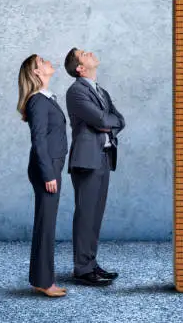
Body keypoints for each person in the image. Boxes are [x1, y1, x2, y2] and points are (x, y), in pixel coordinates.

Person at [64, 48, 126, 286]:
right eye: (83, 54)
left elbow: (119, 119)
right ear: (80, 68)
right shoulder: (76, 92)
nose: (89, 53)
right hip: (86, 160)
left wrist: (107, 123)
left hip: (103, 157)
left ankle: (90, 264)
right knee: (86, 214)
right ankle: (82, 268)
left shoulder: (100, 90)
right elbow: (102, 120)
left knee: (95, 215)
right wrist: (106, 122)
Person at [17, 54, 68, 297]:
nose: (49, 63)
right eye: (43, 61)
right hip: (45, 169)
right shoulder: (37, 101)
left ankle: (41, 278)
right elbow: (38, 141)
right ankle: (44, 282)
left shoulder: (46, 99)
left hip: (51, 166)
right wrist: (49, 174)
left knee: (46, 224)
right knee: (46, 226)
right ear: (37, 72)